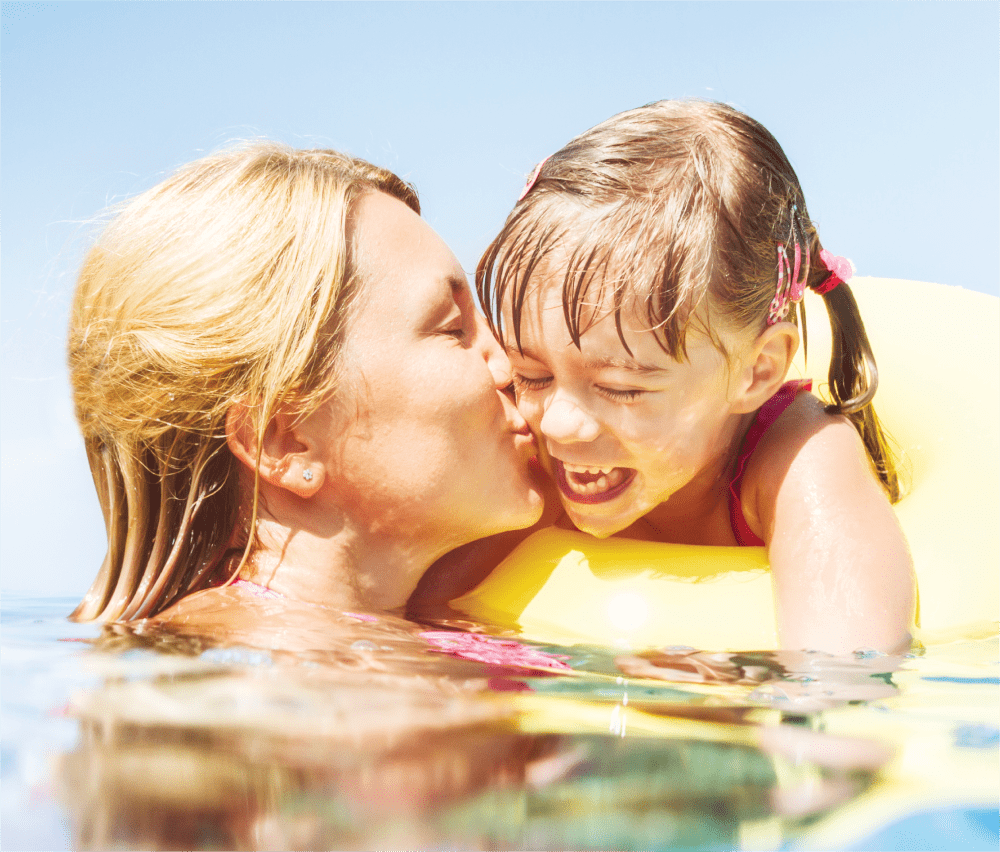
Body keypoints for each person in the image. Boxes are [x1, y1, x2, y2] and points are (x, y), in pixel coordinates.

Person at [471, 100, 915, 654]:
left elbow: (847, 668)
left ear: (757, 370)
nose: (558, 424)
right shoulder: (528, 453)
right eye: (531, 374)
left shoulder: (798, 456)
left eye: (621, 387)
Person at [67, 143, 545, 634]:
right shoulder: (275, 680)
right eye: (452, 329)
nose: (512, 363)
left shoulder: (388, 636)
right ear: (284, 441)